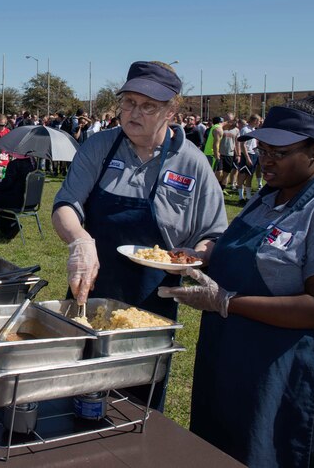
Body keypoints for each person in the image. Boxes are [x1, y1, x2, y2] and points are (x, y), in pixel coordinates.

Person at [159, 99, 314, 467]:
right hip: (235, 355)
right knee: (219, 451)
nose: (266, 160)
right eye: (263, 149)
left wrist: (226, 302)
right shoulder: (265, 196)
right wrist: (204, 255)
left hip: (291, 366)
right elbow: (239, 247)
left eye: (281, 152)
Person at [51, 61, 227, 410]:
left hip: (152, 304)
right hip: (91, 292)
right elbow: (65, 205)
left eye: (148, 106)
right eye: (129, 102)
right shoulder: (99, 147)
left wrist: (195, 256)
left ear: (172, 111)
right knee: (75, 393)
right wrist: (80, 241)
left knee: (137, 405)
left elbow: (214, 234)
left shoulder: (192, 163)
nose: (134, 113)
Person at [0, 152, 37, 239]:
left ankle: (10, 228)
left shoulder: (15, 164)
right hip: (31, 201)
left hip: (17, 200)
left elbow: (7, 184)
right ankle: (12, 224)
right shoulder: (34, 164)